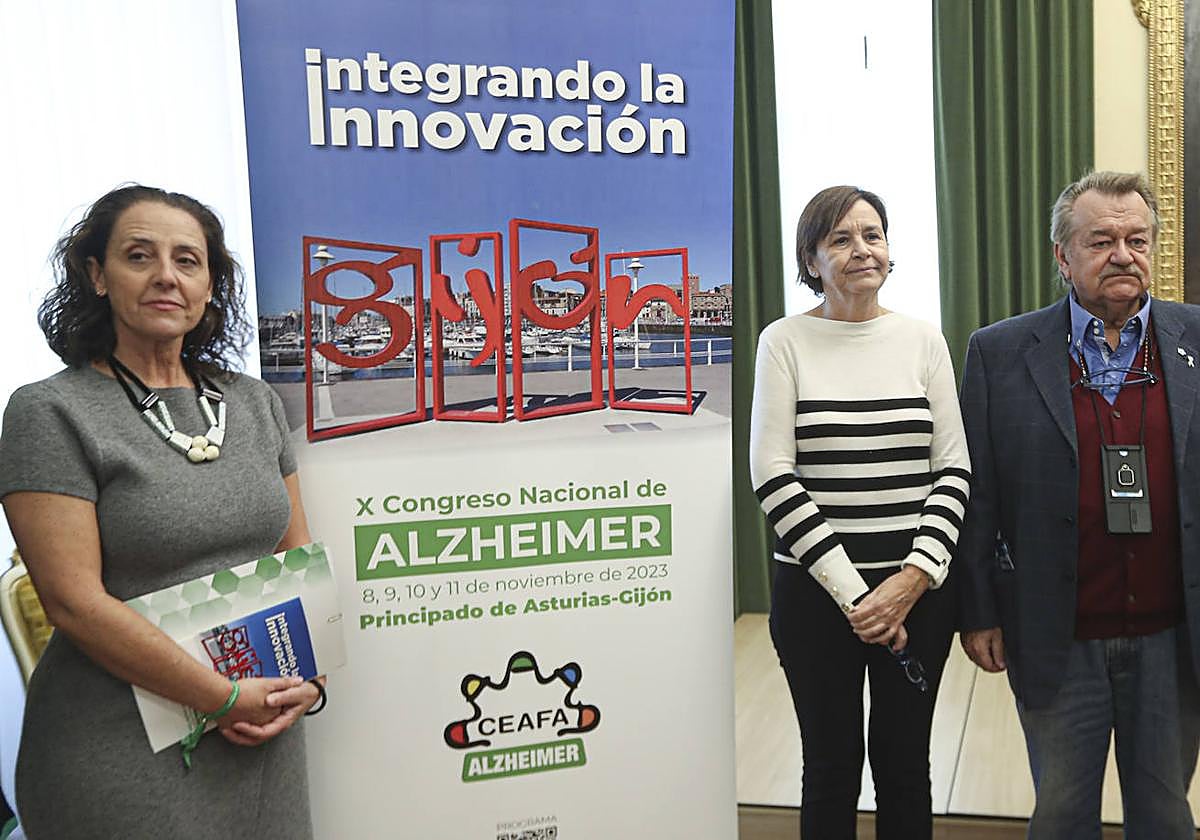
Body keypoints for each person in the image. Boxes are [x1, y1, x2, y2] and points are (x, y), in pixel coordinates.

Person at [0, 185, 322, 838]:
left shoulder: (254, 401)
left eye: (187, 260)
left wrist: (309, 685)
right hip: (120, 745)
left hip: (261, 728)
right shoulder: (50, 411)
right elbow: (72, 603)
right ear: (97, 275)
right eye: (139, 256)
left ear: (210, 285)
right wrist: (220, 697)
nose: (166, 276)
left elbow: (297, 563)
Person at [958, 170, 1200, 838]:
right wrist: (978, 610)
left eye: (1137, 240)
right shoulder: (999, 352)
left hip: (1172, 636)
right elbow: (979, 494)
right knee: (1062, 814)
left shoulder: (1195, 339)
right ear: (1062, 257)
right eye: (1101, 241)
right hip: (1054, 633)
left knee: (1166, 814)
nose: (1123, 255)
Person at [750, 185, 971, 839]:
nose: (862, 250)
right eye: (841, 239)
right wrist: (858, 597)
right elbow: (772, 474)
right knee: (829, 767)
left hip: (918, 599)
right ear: (811, 259)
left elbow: (954, 469)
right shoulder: (783, 342)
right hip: (816, 601)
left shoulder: (923, 341)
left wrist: (911, 580)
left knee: (906, 767)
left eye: (873, 235)